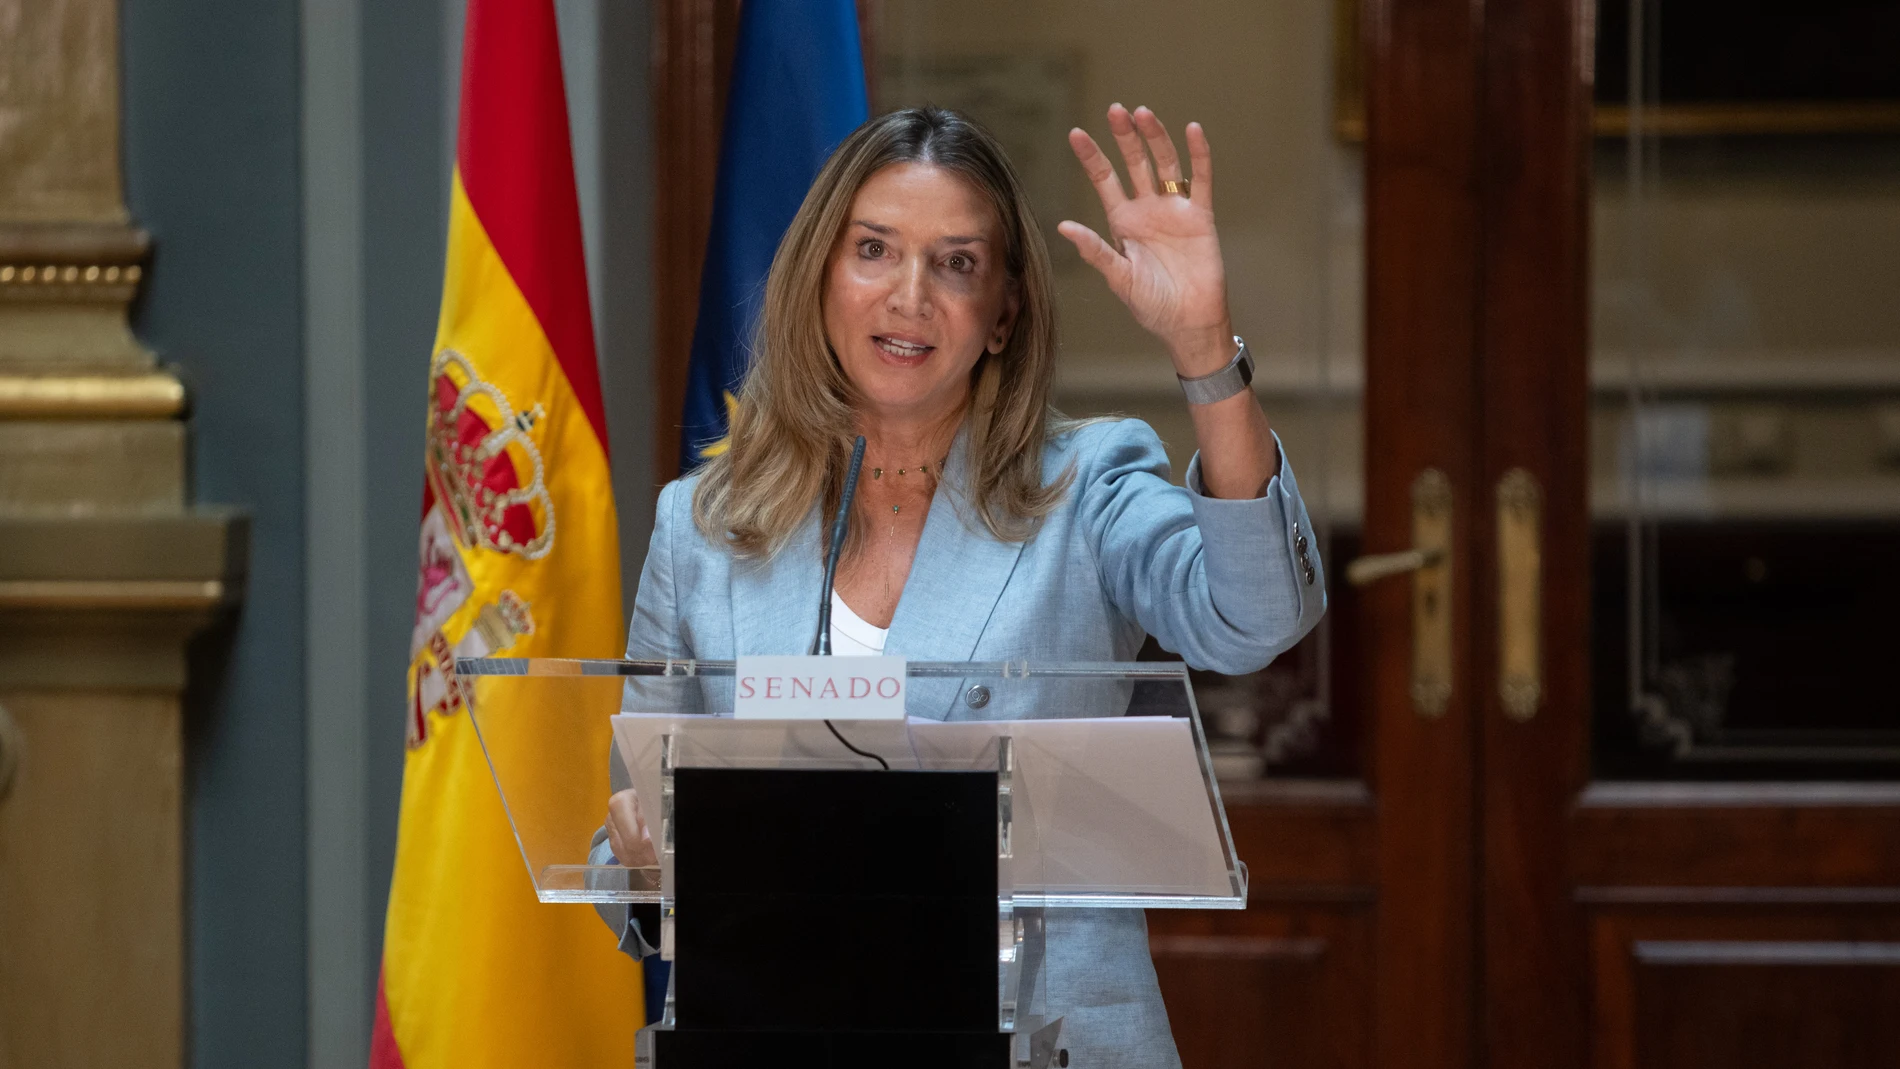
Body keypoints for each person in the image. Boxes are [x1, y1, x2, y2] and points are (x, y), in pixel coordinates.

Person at [596, 104, 1325, 1067]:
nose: (909, 296)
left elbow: (1254, 617)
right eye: (873, 250)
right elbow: (626, 844)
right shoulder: (701, 526)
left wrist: (1204, 349)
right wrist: (645, 867)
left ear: (1002, 314)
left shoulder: (1086, 486)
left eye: (956, 263)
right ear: (820, 278)